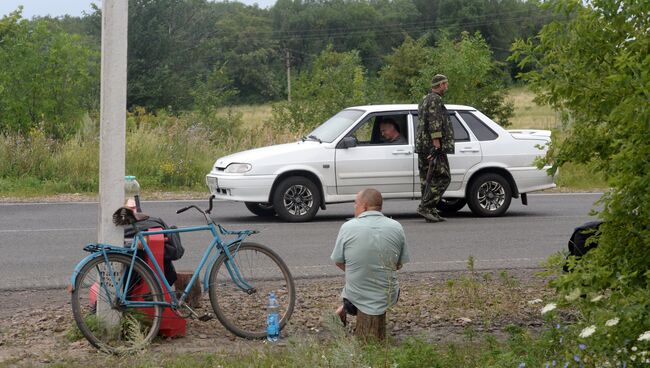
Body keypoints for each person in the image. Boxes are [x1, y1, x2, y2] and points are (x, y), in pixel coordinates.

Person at [330, 188, 409, 325]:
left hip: (355, 299)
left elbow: (338, 261)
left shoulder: (347, 227)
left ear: (364, 206)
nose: (354, 207)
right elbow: (399, 264)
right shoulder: (397, 227)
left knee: (355, 287)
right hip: (388, 297)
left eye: (356, 203)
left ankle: (345, 309)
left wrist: (359, 270)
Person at [415, 74, 455, 223]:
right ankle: (426, 206)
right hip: (432, 146)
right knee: (444, 177)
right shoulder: (435, 100)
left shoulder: (425, 99)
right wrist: (437, 143)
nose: (447, 86)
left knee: (428, 178)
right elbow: (434, 122)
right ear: (441, 85)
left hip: (424, 145)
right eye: (446, 83)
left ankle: (430, 210)